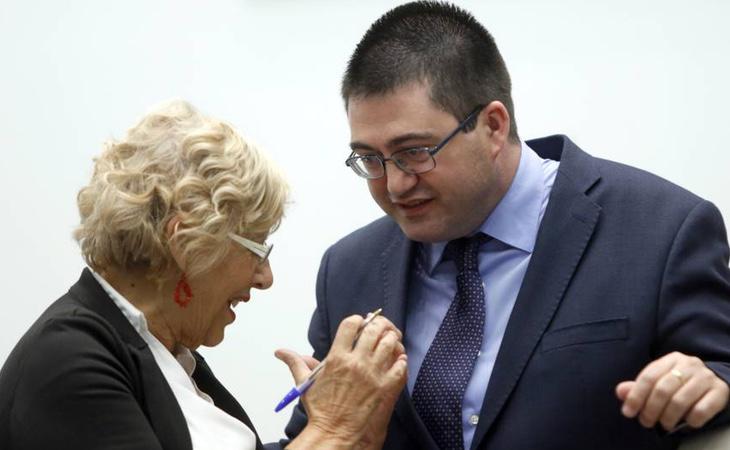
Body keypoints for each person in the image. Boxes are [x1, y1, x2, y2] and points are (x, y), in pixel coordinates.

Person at [275, 2, 730, 450]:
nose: (394, 184)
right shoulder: (347, 269)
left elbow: (720, 369)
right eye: (370, 159)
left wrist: (714, 383)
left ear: (493, 126)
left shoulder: (661, 230)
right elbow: (318, 432)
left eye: (415, 151)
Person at [0, 100, 408, 450]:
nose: (265, 277)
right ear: (185, 243)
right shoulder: (68, 362)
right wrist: (333, 430)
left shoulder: (170, 357)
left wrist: (354, 425)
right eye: (256, 248)